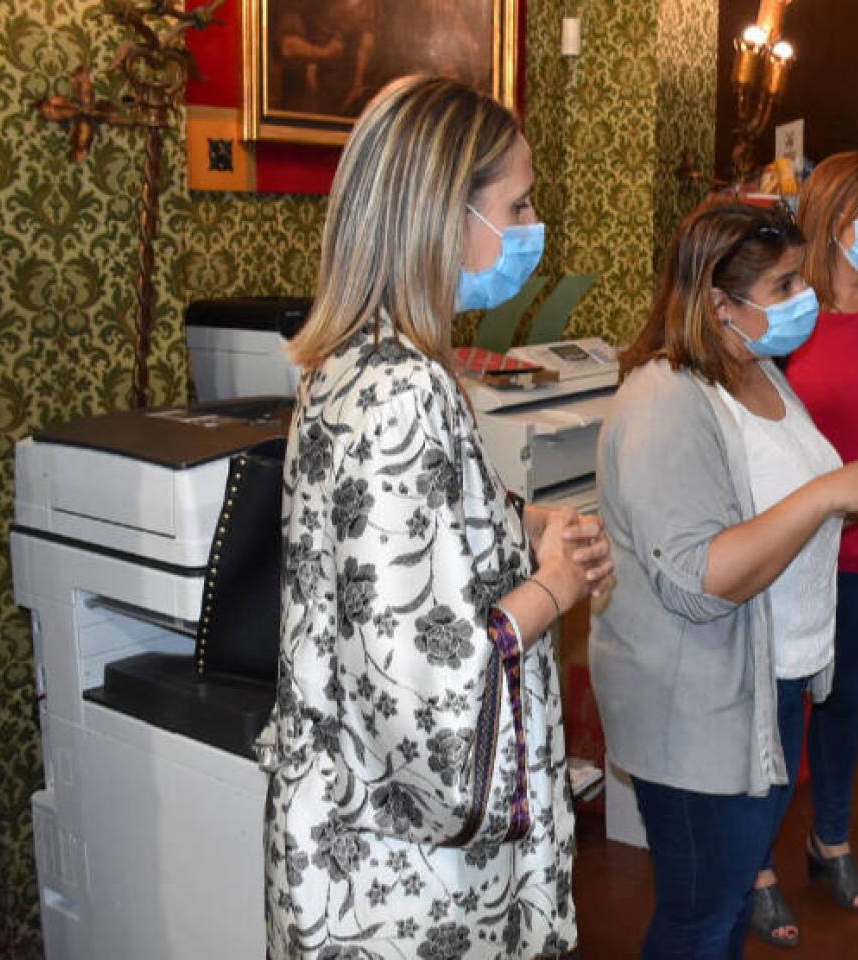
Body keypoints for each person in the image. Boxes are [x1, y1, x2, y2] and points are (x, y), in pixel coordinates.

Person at [259, 76, 611, 960]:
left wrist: (522, 522)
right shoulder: (403, 389)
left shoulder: (349, 362)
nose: (532, 227)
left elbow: (413, 529)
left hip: (344, 835)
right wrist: (555, 589)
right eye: (518, 204)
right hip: (408, 878)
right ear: (444, 211)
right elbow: (422, 677)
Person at [592, 200, 858, 960]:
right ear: (718, 304)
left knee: (727, 912)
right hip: (698, 707)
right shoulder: (667, 399)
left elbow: (786, 494)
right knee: (700, 919)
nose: (805, 300)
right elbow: (700, 577)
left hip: (766, 689)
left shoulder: (759, 371)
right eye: (786, 285)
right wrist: (828, 495)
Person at [742, 150, 858, 946]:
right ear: (831, 219)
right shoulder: (787, 322)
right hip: (791, 550)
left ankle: (832, 841)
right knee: (780, 706)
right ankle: (756, 866)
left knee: (845, 701)